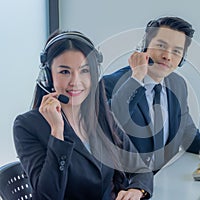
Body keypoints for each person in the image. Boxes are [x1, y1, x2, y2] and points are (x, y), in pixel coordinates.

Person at [13, 31, 153, 200]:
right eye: (65, 72)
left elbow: (140, 167)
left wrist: (137, 190)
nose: (75, 81)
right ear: (48, 77)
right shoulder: (28, 125)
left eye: (84, 71)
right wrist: (57, 132)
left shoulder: (100, 115)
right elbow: (48, 196)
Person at [102, 16, 200, 173]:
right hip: (126, 189)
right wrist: (136, 78)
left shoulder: (177, 85)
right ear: (144, 46)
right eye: (161, 46)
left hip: (163, 183)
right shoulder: (111, 84)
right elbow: (109, 126)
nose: (167, 56)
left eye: (176, 51)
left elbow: (187, 134)